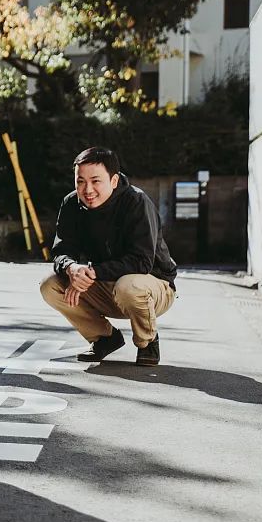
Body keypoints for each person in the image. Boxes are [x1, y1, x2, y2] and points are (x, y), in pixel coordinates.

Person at [39, 146, 177, 366]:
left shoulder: (136, 202)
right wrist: (72, 269)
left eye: (96, 181)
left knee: (129, 285)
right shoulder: (71, 204)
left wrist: (92, 273)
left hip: (153, 285)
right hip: (105, 284)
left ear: (113, 181)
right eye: (80, 181)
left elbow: (141, 262)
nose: (87, 189)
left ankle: (147, 340)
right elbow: (61, 250)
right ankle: (105, 338)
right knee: (50, 285)